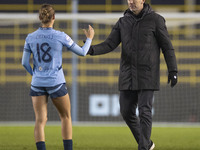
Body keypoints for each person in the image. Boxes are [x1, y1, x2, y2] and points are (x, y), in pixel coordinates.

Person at [87, 0, 177, 150]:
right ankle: (147, 144)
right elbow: (109, 44)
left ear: (142, 0)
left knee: (145, 111)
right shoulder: (123, 22)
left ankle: (143, 147)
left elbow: (167, 47)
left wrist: (173, 70)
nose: (131, 2)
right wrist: (90, 49)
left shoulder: (156, 20)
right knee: (126, 111)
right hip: (127, 75)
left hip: (147, 74)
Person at [21, 4, 94, 150]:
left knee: (40, 121)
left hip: (37, 83)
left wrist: (35, 75)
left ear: (40, 18)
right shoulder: (60, 35)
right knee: (65, 117)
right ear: (53, 17)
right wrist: (90, 39)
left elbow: (24, 63)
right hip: (56, 82)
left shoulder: (30, 37)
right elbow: (82, 52)